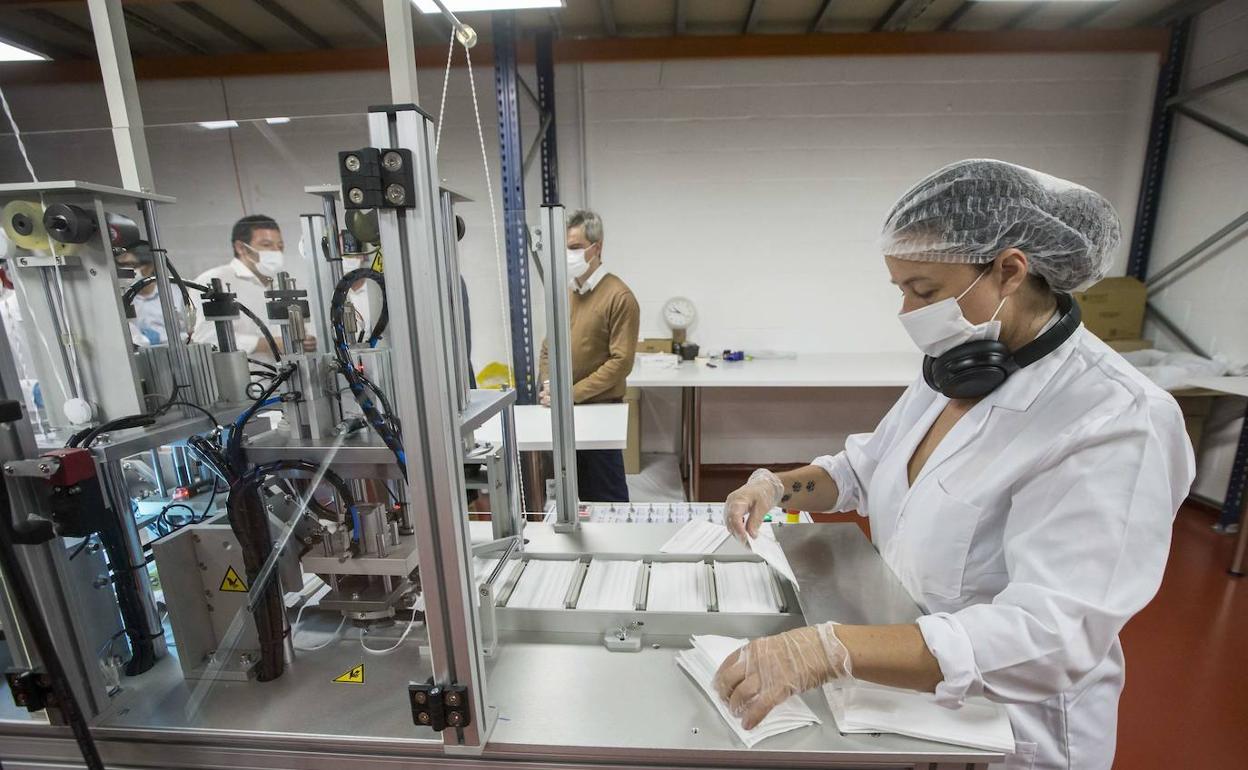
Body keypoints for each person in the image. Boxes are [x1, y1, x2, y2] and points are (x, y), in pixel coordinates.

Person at [714, 159, 1194, 770]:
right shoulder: (961, 363)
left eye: (925, 291)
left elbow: (1049, 637)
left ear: (1009, 271)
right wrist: (776, 488)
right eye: (902, 291)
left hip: (1013, 733)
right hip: (907, 697)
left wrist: (827, 651)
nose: (909, 312)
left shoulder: (1116, 419)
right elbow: (863, 469)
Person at [538, 209, 640, 502]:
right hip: (567, 411)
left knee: (607, 498)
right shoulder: (569, 293)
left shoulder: (619, 297)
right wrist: (549, 387)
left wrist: (570, 393)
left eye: (574, 248)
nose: (568, 255)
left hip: (600, 412)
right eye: (564, 249)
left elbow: (621, 363)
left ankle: (616, 548)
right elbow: (549, 346)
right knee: (574, 497)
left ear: (597, 248)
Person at [192, 215, 315, 359]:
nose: (276, 251)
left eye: (280, 246)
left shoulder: (283, 282)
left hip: (289, 375)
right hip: (246, 376)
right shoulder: (214, 280)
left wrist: (307, 340)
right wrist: (270, 343)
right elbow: (205, 338)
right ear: (241, 247)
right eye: (266, 245)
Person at [116, 241, 182, 346]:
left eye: (130, 265)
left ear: (149, 267)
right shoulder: (121, 298)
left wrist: (161, 338)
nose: (124, 270)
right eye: (121, 265)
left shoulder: (173, 294)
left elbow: (186, 331)